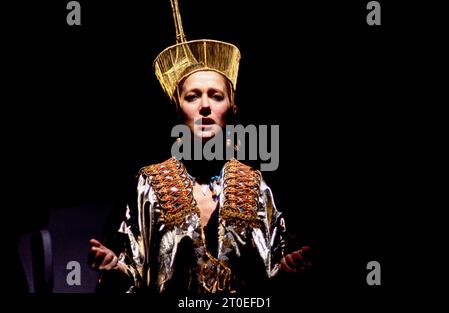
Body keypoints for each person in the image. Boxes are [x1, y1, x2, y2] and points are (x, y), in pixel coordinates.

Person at [88, 0, 311, 294]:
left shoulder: (255, 185)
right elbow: (135, 271)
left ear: (232, 110)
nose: (205, 106)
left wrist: (286, 269)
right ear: (178, 110)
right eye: (193, 96)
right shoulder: (149, 185)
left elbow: (269, 273)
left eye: (216, 96)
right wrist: (115, 266)